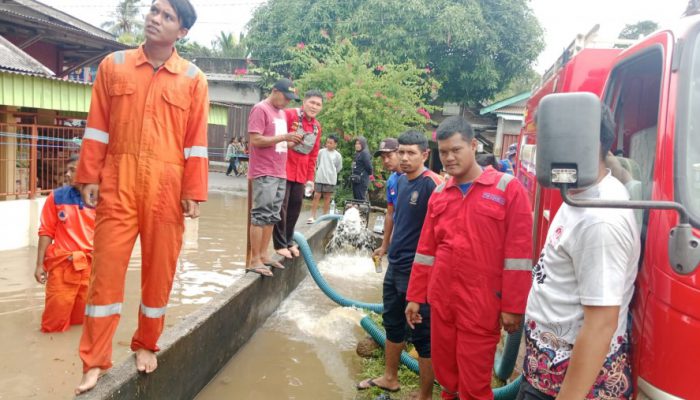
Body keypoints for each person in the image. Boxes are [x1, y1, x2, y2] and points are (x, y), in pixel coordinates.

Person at [74, 0, 209, 393]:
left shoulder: (193, 78)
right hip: (118, 181)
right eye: (153, 10)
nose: (155, 18)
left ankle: (147, 343)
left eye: (167, 16)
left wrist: (193, 191)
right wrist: (89, 176)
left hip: (167, 186)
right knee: (105, 273)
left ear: (181, 31)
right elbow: (97, 126)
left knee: (160, 271)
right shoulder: (113, 65)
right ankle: (94, 361)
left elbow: (195, 142)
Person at [405, 116, 533, 399]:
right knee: (447, 378)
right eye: (443, 152)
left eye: (456, 150)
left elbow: (519, 254)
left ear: (473, 145)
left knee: (474, 386)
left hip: (482, 304)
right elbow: (426, 251)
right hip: (443, 302)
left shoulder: (507, 189)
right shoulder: (440, 193)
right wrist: (415, 296)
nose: (449, 158)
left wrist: (513, 306)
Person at [517, 106, 640, 400]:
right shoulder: (580, 193)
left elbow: (601, 324)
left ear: (579, 141)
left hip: (568, 389)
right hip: (545, 377)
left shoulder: (600, 220)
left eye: (549, 141)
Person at [357, 130, 442, 400]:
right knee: (392, 322)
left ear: (425, 155)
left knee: (422, 334)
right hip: (397, 265)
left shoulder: (433, 186)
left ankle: (425, 394)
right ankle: (390, 378)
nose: (404, 158)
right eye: (401, 152)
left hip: (419, 272)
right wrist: (386, 247)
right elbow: (395, 218)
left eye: (411, 153)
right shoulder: (401, 181)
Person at [247, 78, 303, 277]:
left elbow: (279, 143)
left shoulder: (279, 113)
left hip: (280, 171)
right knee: (260, 214)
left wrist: (293, 141)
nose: (287, 102)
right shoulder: (260, 109)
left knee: (272, 215)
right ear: (275, 91)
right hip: (264, 171)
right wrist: (284, 137)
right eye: (286, 97)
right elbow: (256, 140)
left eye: (290, 99)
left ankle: (263, 255)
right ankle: (254, 259)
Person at [34, 155, 95, 333]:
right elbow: (46, 231)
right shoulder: (57, 197)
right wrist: (39, 265)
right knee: (53, 324)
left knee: (80, 322)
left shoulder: (101, 198)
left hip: (91, 267)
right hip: (63, 266)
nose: (67, 174)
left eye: (72, 170)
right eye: (67, 170)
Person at [273, 90, 323, 259]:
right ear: (304, 102)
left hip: (301, 173)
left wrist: (310, 179)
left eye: (318, 104)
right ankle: (279, 245)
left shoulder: (317, 127)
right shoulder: (289, 115)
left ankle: (288, 241)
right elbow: (275, 137)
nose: (314, 107)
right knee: (281, 207)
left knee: (295, 207)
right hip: (283, 169)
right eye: (312, 102)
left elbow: (313, 154)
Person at [371, 137, 401, 261]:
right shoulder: (391, 180)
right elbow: (390, 213)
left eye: (389, 155)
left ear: (400, 153)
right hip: (396, 241)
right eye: (383, 158)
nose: (386, 160)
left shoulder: (414, 178)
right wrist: (384, 245)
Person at [308, 135, 343, 222]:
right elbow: (318, 163)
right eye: (327, 142)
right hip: (320, 177)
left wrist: (332, 173)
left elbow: (338, 168)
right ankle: (312, 216)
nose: (328, 144)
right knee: (316, 196)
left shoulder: (338, 155)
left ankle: (324, 216)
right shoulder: (321, 152)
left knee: (327, 197)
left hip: (330, 179)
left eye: (331, 143)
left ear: (335, 144)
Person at [350, 137, 373, 201]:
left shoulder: (364, 153)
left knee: (360, 199)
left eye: (359, 144)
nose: (357, 145)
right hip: (356, 179)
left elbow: (369, 167)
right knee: (356, 199)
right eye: (356, 144)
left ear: (363, 144)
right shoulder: (357, 153)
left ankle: (362, 211)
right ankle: (358, 210)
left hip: (362, 180)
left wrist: (368, 174)